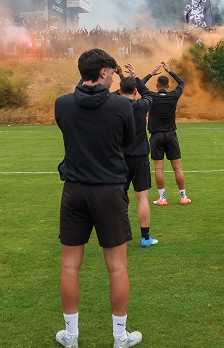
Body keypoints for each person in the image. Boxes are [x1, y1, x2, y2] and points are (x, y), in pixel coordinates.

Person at [54, 48, 141, 348]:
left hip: (75, 190)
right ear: (104, 72)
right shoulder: (121, 106)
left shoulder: (62, 105)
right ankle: (119, 338)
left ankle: (72, 336)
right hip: (109, 191)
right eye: (112, 71)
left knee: (69, 265)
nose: (114, 75)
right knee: (116, 266)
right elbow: (127, 141)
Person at [119, 63, 157, 248]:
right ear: (135, 91)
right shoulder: (142, 105)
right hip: (140, 157)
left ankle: (122, 235)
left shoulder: (114, 106)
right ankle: (146, 237)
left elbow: (109, 96)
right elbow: (148, 94)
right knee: (142, 197)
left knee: (120, 196)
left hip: (119, 158)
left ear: (119, 91)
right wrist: (136, 78)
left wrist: (122, 77)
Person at [142, 61, 190, 206]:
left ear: (157, 85)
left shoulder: (151, 96)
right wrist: (169, 71)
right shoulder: (173, 96)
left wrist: (152, 72)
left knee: (158, 168)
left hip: (156, 136)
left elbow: (139, 84)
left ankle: (162, 199)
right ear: (168, 86)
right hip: (170, 135)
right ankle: (183, 197)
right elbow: (181, 82)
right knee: (177, 167)